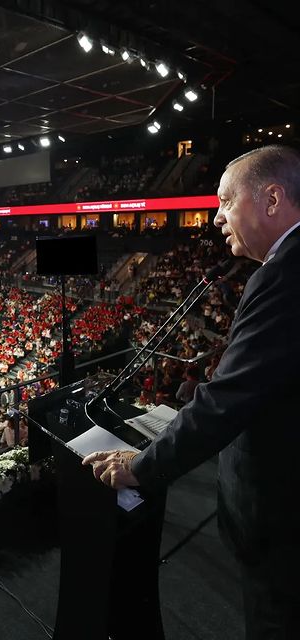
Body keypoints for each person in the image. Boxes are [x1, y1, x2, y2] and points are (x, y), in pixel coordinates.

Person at [83, 145, 300, 639]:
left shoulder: (285, 274)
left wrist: (140, 467)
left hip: (284, 519)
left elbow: (228, 398)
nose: (216, 216)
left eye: (226, 201)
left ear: (271, 198)